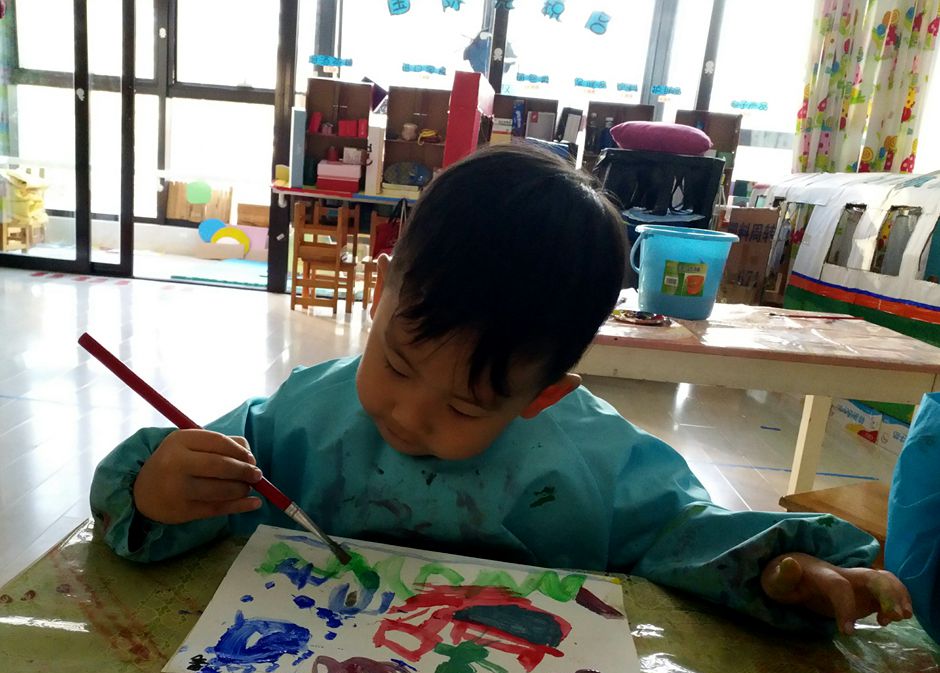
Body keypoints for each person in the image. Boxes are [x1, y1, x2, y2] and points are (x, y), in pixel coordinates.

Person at [90, 145, 911, 637]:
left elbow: (689, 536)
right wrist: (155, 490)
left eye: (465, 407)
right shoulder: (301, 419)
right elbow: (177, 497)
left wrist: (781, 567)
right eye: (398, 363)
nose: (410, 414)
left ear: (544, 395)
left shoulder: (594, 460)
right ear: (381, 293)